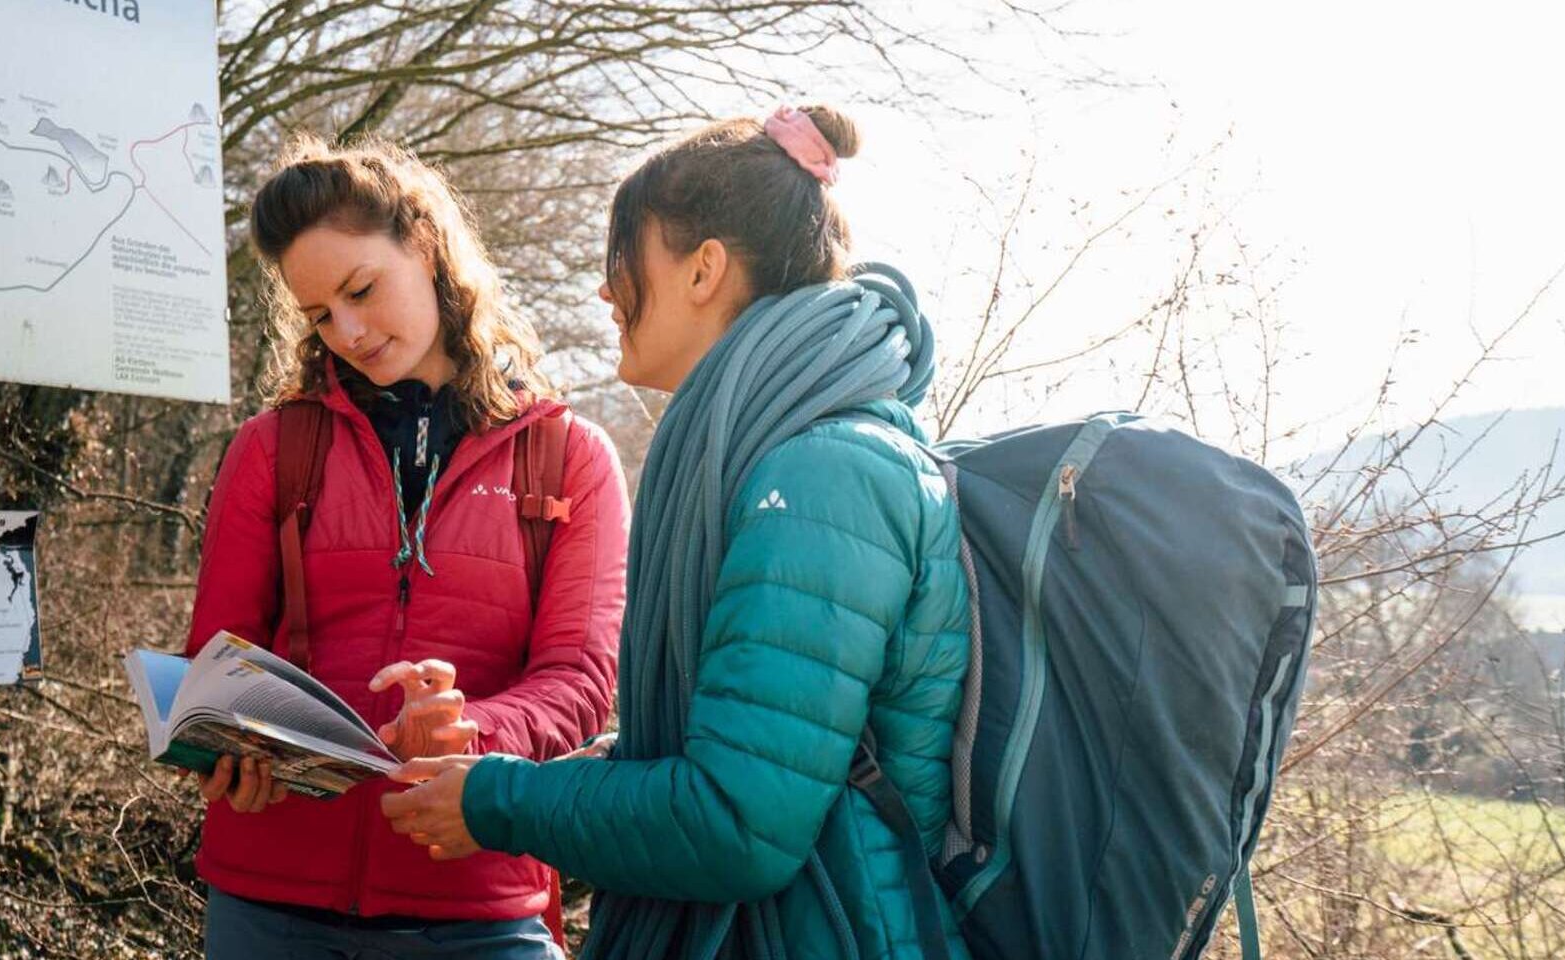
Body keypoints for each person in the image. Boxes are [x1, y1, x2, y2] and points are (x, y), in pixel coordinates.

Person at [381, 104, 974, 960]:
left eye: (624, 257)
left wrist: (496, 803)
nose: (604, 288)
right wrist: (511, 779)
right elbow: (731, 748)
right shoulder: (780, 456)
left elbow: (737, 820)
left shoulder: (823, 477)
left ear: (704, 271)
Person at [183, 135, 630, 958]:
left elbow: (580, 684)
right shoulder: (271, 447)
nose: (347, 331)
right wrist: (221, 747)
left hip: (478, 903)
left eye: (361, 289)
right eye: (319, 314)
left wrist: (470, 729)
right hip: (269, 902)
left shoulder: (572, 458)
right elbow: (217, 653)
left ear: (426, 247)